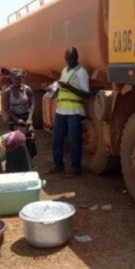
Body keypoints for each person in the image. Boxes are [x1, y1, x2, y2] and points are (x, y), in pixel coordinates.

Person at [49, 47, 91, 176]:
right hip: (61, 110)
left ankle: (75, 168)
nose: (69, 61)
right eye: (67, 59)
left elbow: (86, 94)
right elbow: (62, 87)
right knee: (57, 139)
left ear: (77, 57)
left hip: (74, 111)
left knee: (75, 141)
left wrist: (69, 87)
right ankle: (58, 165)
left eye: (71, 59)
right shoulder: (64, 70)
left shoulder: (81, 72)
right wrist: (54, 90)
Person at [1, 69, 37, 160]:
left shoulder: (27, 89)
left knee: (29, 141)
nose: (19, 81)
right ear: (11, 79)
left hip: (26, 117)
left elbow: (32, 104)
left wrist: (29, 119)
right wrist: (16, 119)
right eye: (16, 79)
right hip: (14, 118)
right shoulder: (8, 92)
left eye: (20, 79)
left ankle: (30, 162)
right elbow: (6, 109)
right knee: (15, 141)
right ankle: (18, 162)